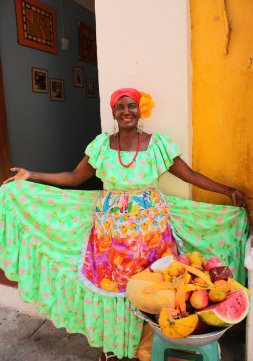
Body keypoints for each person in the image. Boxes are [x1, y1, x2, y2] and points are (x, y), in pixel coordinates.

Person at [0, 88, 250, 361]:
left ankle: (145, 349)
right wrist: (31, 175)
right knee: (116, 293)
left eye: (132, 105)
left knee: (152, 291)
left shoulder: (157, 145)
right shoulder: (100, 146)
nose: (126, 111)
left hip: (153, 238)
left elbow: (189, 175)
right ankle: (117, 350)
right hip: (110, 241)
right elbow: (73, 177)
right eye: (120, 107)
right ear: (113, 112)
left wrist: (227, 191)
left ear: (140, 110)